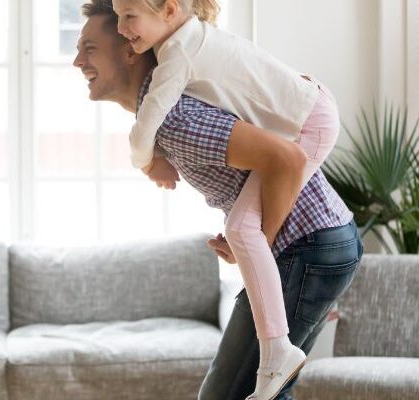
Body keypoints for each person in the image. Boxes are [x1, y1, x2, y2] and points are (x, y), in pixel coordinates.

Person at [74, 2, 362, 399]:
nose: (76, 61)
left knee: (229, 393)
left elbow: (287, 158)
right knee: (264, 388)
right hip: (319, 241)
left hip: (308, 246)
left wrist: (259, 237)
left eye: (89, 48)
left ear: (129, 48)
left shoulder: (174, 117)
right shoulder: (170, 98)